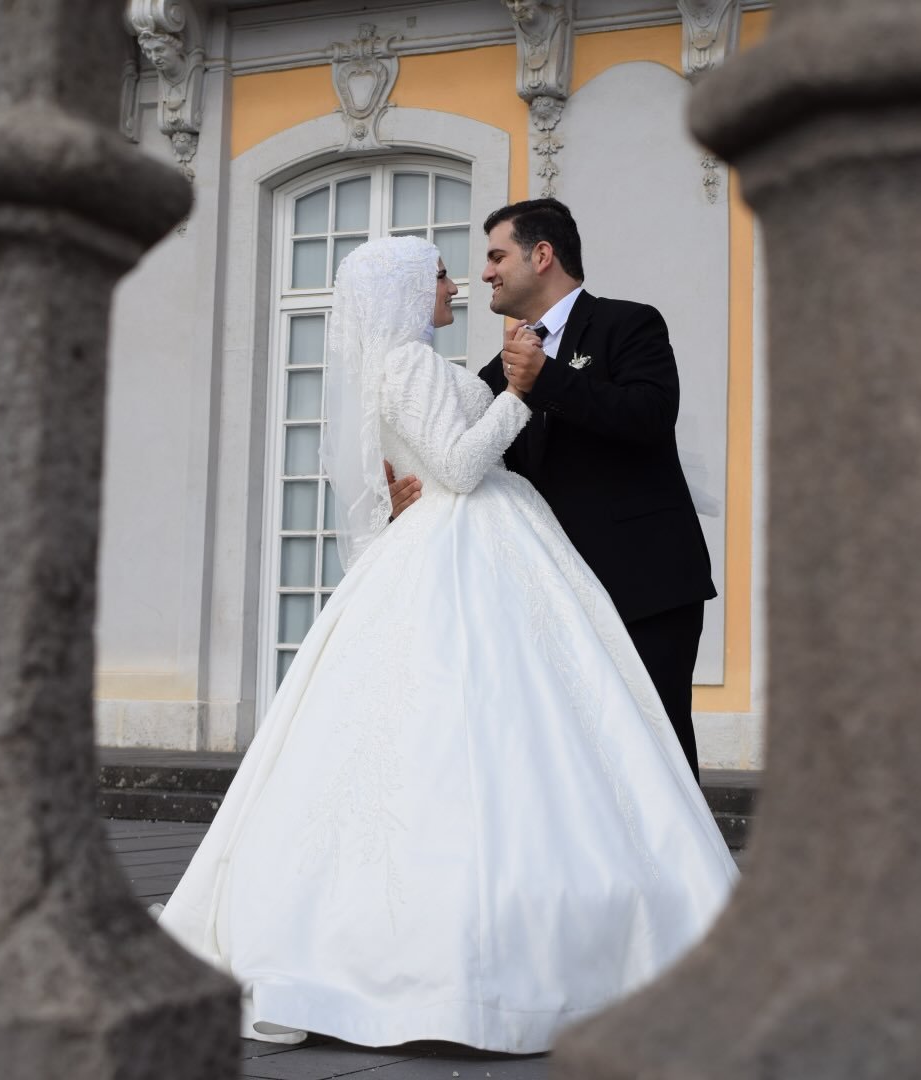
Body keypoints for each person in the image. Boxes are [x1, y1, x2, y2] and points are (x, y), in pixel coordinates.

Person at [157, 236, 736, 1055]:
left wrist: (486, 421)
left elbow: (436, 460)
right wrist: (522, 395)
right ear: (402, 290)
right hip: (469, 542)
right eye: (439, 275)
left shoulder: (423, 364)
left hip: (487, 538)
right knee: (479, 722)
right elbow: (461, 468)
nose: (458, 283)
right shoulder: (411, 365)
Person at [389, 199, 715, 780]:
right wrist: (410, 505)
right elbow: (472, 469)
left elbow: (650, 416)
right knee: (578, 766)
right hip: (549, 596)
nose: (485, 273)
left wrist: (547, 379)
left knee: (657, 755)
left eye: (497, 257)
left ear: (541, 255)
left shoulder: (628, 324)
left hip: (643, 585)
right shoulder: (494, 375)